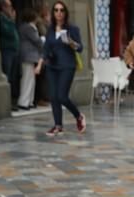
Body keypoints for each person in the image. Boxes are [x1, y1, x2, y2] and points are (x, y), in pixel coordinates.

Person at [43, 1, 85, 136]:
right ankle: (58, 125)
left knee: (62, 96)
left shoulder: (73, 29)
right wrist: (43, 61)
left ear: (65, 13)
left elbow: (80, 48)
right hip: (52, 66)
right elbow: (46, 48)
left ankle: (78, 116)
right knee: (54, 97)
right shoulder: (50, 29)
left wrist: (71, 42)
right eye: (56, 10)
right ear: (53, 12)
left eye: (61, 10)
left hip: (67, 65)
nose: (59, 13)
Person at [17, 8, 44, 111]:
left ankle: (29, 101)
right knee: (27, 79)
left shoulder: (28, 27)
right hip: (28, 55)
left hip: (30, 55)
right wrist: (42, 40)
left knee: (31, 80)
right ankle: (23, 102)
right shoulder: (28, 28)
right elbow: (36, 40)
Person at [0, 0, 20, 109]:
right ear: (3, 7)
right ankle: (8, 102)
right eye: (9, 6)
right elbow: (9, 32)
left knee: (14, 77)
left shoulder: (7, 19)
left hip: (14, 50)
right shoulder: (1, 19)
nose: (11, 9)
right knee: (8, 75)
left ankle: (13, 99)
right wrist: (12, 20)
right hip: (7, 51)